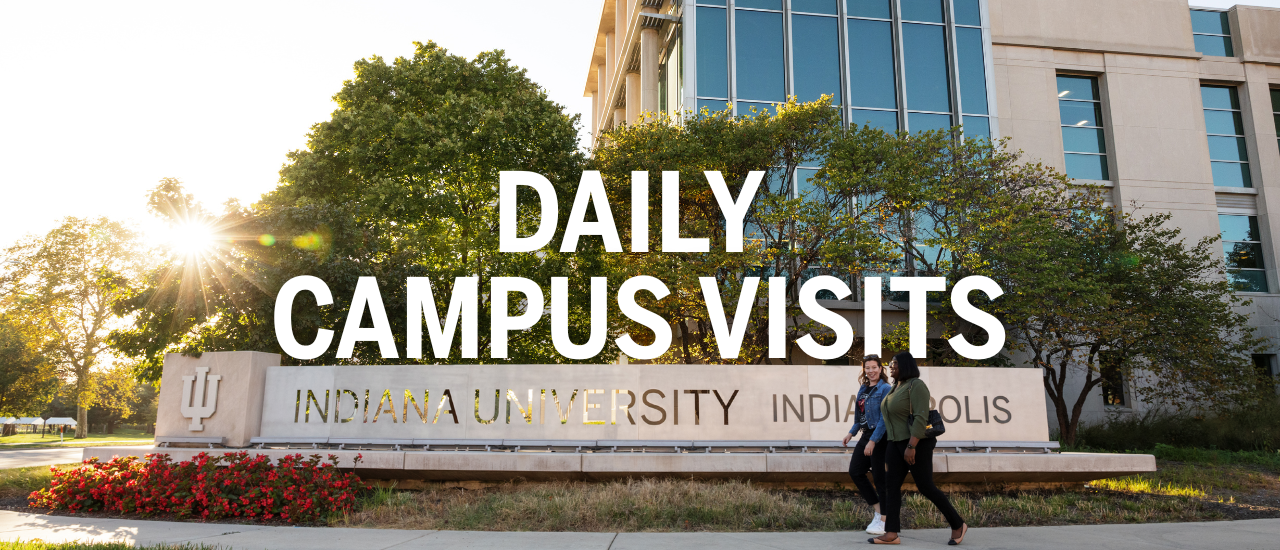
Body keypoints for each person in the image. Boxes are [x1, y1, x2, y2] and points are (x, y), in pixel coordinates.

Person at [870, 352, 968, 546]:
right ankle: (891, 533)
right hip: (894, 443)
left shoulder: (916, 385)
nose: (891, 367)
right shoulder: (895, 387)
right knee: (891, 488)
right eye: (891, 364)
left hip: (915, 444)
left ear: (905, 366)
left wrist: (911, 446)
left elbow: (921, 418)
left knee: (925, 486)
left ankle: (958, 524)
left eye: (894, 364)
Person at [843, 354, 892, 535]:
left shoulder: (886, 389)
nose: (871, 371)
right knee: (855, 471)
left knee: (880, 479)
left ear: (881, 368)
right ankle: (879, 510)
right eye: (868, 368)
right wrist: (851, 432)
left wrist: (873, 441)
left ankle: (885, 520)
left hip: (880, 437)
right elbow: (860, 417)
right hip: (866, 435)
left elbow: (884, 419)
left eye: (874, 367)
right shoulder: (863, 389)